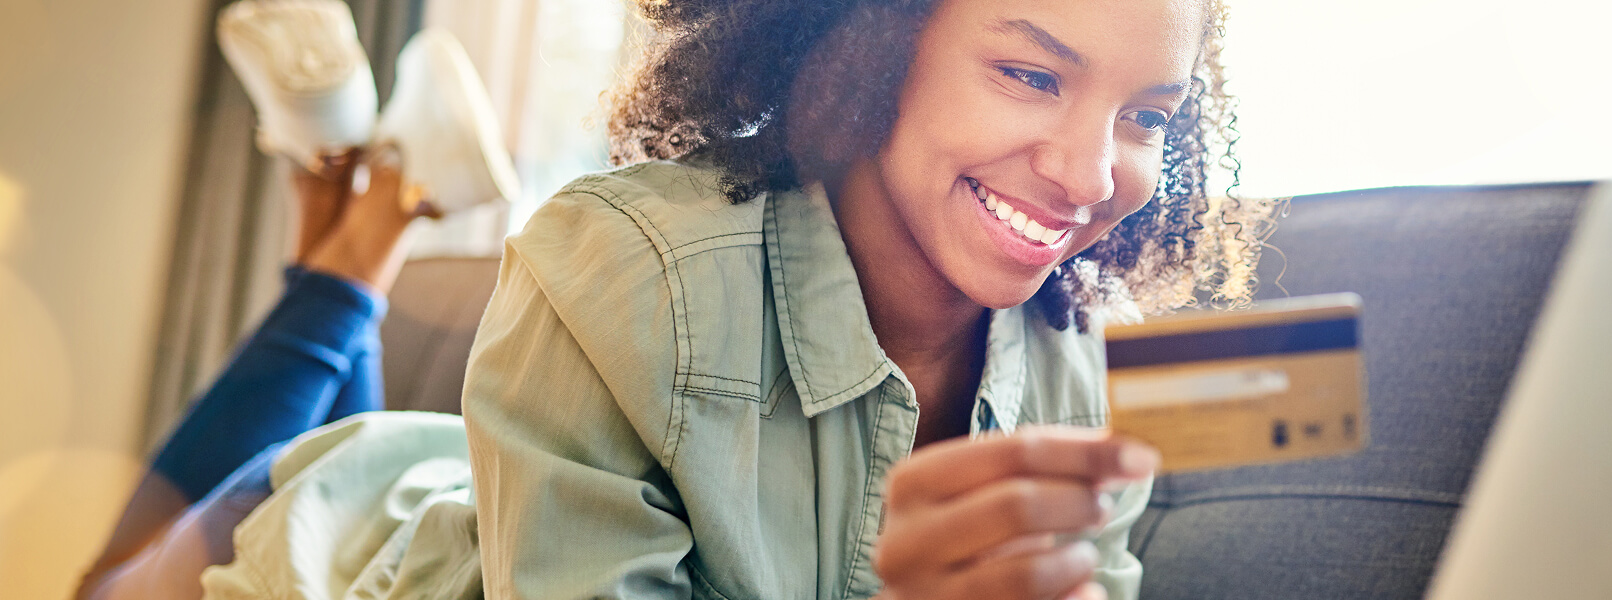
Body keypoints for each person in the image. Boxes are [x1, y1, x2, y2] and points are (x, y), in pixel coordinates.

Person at [81, 0, 1272, 598]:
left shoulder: (1085, 380)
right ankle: (361, 219)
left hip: (486, 480)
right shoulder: (625, 266)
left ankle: (349, 184)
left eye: (1148, 119)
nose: (1086, 171)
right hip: (351, 556)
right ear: (871, 39)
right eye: (1028, 72)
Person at [74, 1, 517, 598]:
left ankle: (344, 199)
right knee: (100, 587)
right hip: (252, 559)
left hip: (361, 505)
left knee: (339, 467)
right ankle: (382, 194)